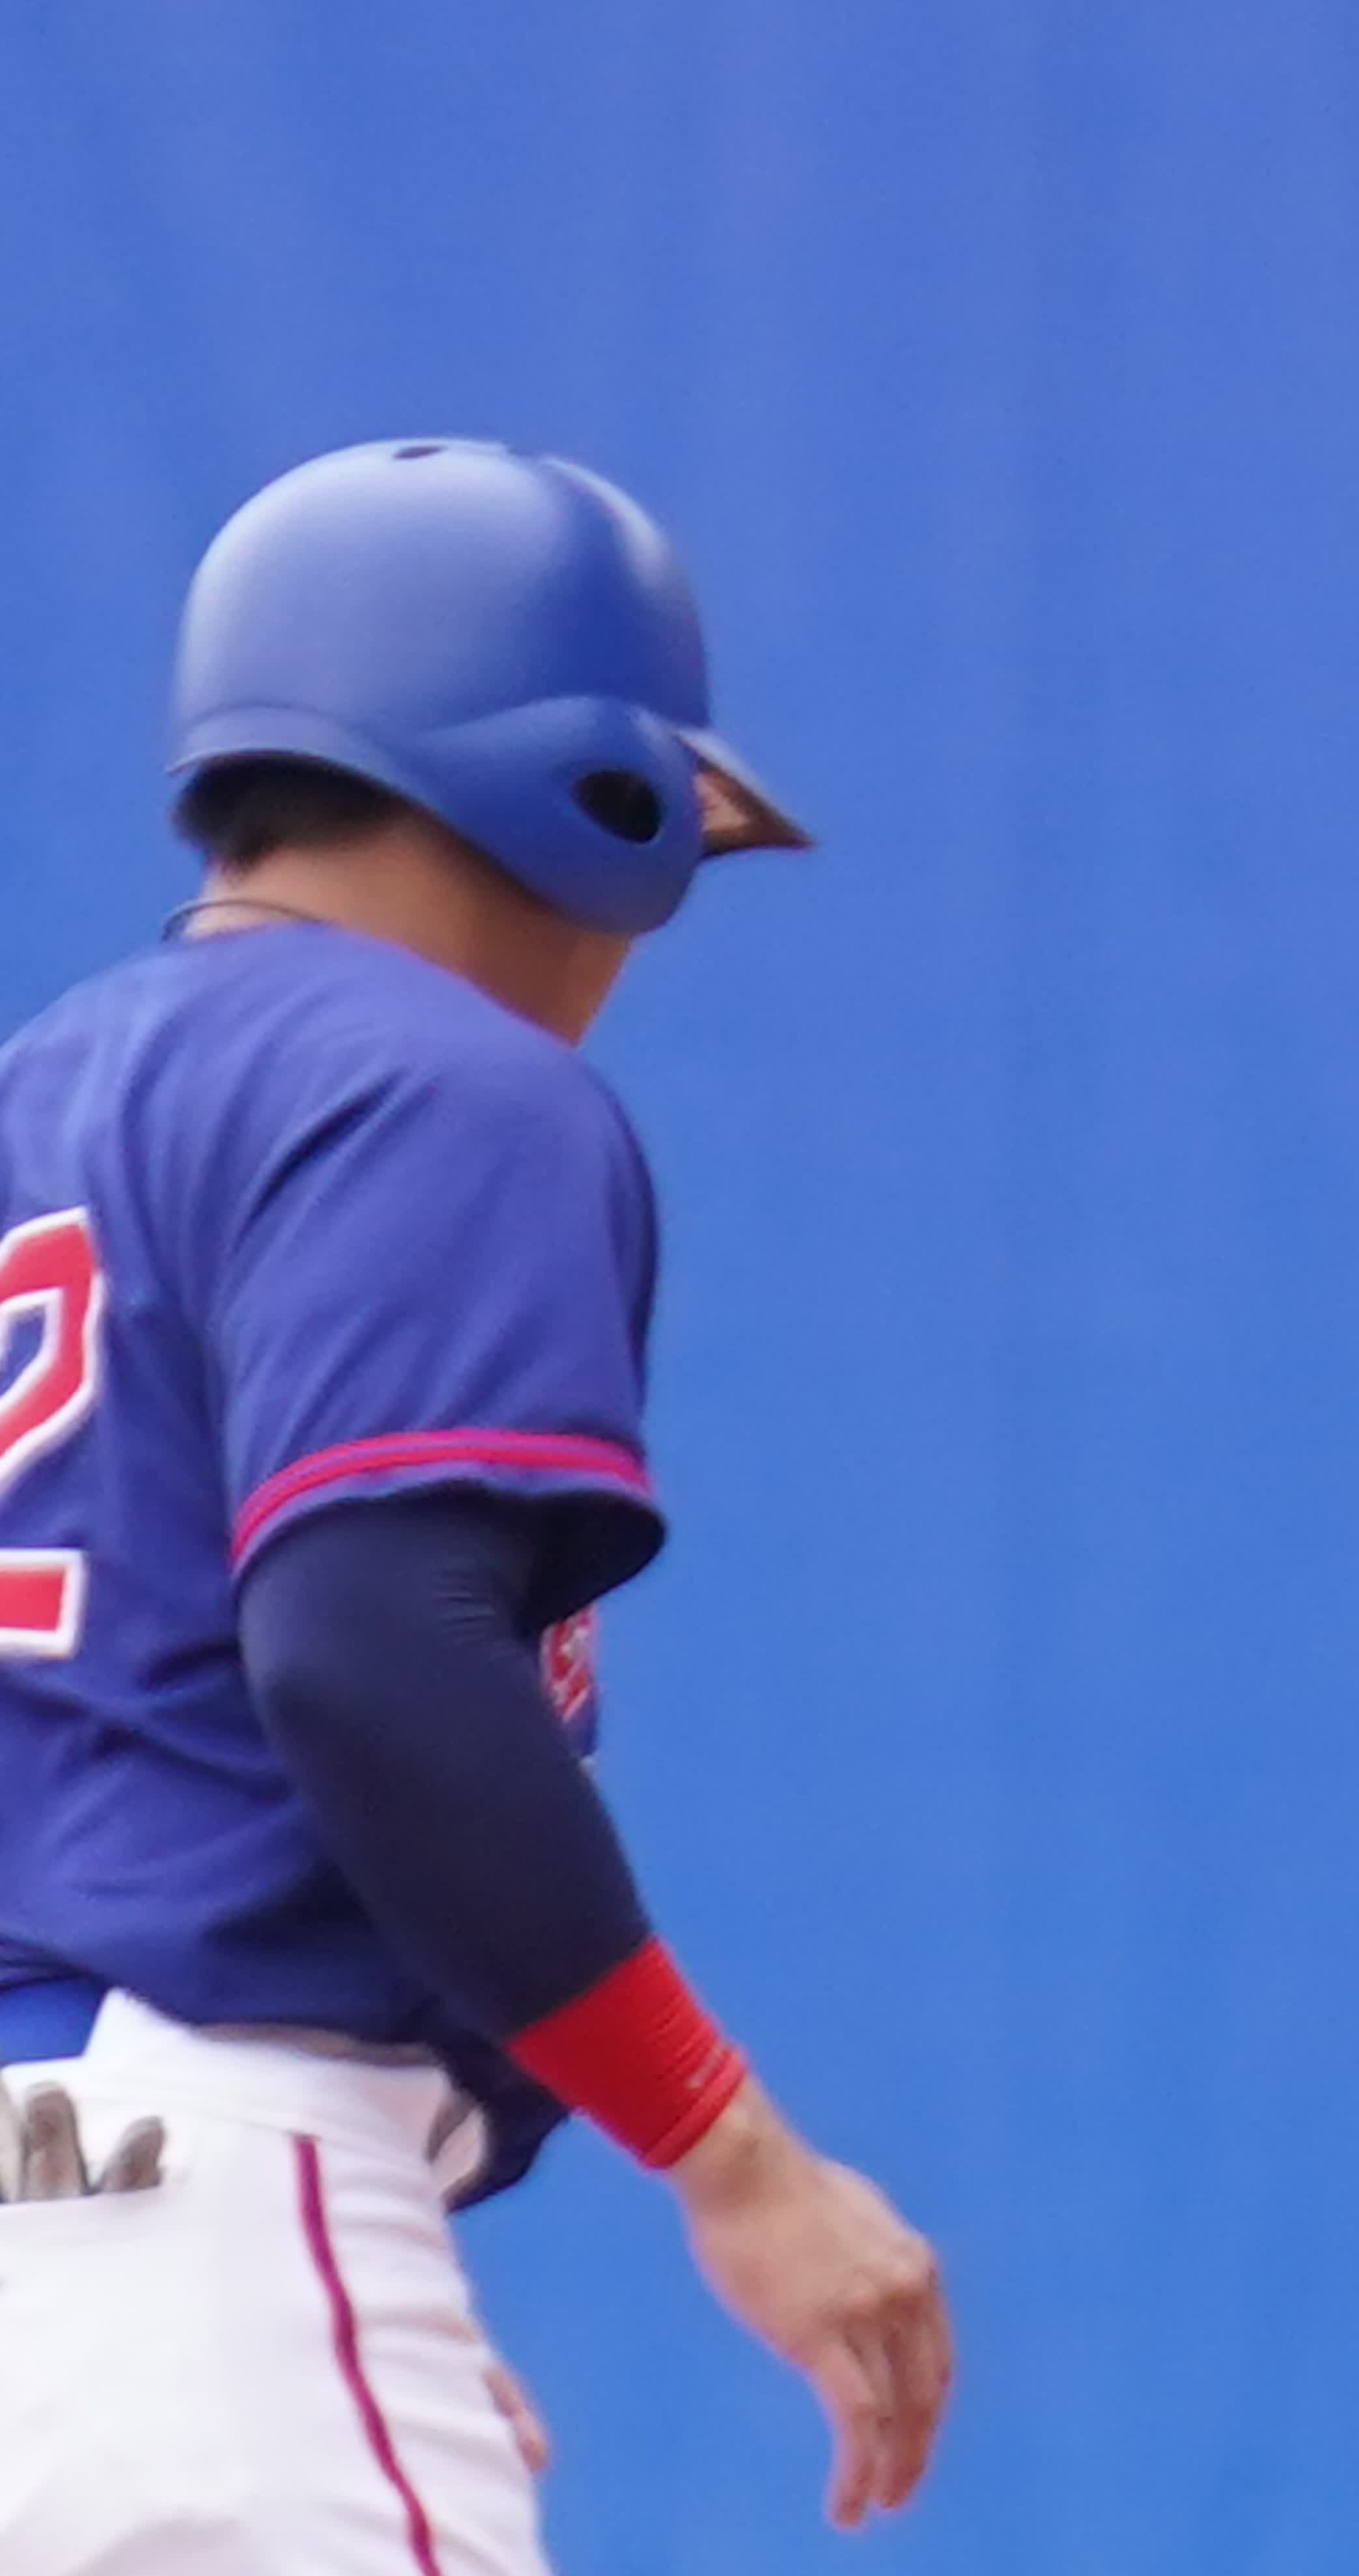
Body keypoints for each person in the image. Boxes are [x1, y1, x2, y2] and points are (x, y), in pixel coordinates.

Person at [0, 439, 950, 2571]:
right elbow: (371, 1649)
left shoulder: (39, 1101)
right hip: (211, 2248)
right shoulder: (439, 1079)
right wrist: (728, 2153)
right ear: (588, 796)